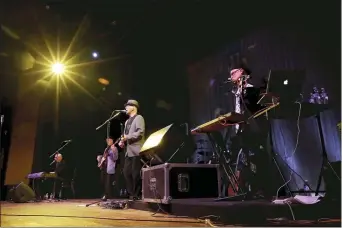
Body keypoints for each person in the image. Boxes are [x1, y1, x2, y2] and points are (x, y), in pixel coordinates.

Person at [119, 99, 145, 200]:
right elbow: (125, 136)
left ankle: (137, 195)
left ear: (133, 107)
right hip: (128, 151)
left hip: (136, 149)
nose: (125, 108)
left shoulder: (139, 118)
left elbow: (140, 132)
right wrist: (122, 141)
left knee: (135, 174)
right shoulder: (126, 122)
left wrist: (127, 137)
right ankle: (131, 194)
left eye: (127, 106)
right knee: (126, 172)